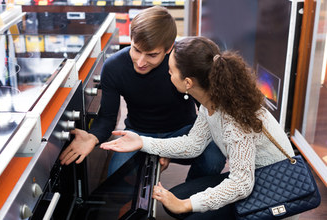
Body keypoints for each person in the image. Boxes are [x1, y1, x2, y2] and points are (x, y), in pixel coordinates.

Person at [100, 36, 298, 220]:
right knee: (176, 202)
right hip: (251, 175)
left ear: (188, 82)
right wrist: (142, 141)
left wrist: (186, 205)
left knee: (186, 211)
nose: (167, 74)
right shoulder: (211, 101)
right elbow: (193, 144)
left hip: (274, 188)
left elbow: (241, 184)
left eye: (171, 71)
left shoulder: (234, 122)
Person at [59, 6, 226, 179]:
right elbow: (107, 118)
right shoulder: (113, 68)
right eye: (136, 49)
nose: (140, 62)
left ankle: (190, 194)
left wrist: (171, 148)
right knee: (116, 176)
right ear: (131, 40)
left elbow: (207, 109)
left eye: (151, 55)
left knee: (214, 156)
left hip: (183, 132)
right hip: (138, 133)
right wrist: (93, 137)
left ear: (169, 49)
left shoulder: (182, 64)